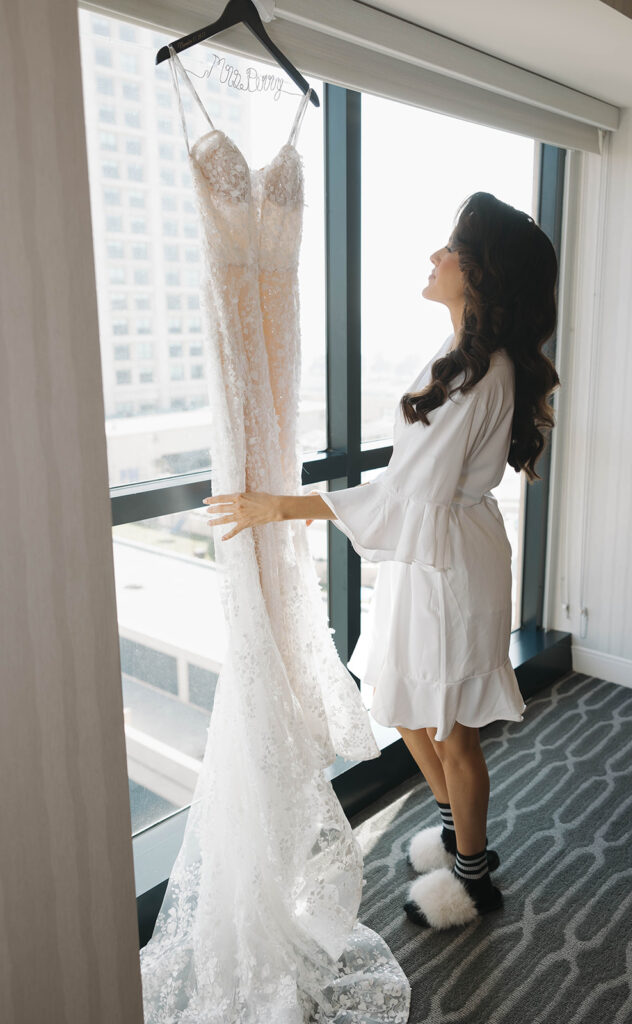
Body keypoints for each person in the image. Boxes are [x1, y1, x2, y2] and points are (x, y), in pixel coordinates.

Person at [203, 191, 560, 930]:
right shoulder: (464, 359)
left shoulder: (474, 372)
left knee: (449, 726)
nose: (434, 258)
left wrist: (282, 506)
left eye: (450, 249)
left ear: (482, 273)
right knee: (403, 706)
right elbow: (413, 491)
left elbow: (410, 494)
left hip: (446, 564)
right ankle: (452, 832)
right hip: (436, 552)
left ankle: (471, 876)